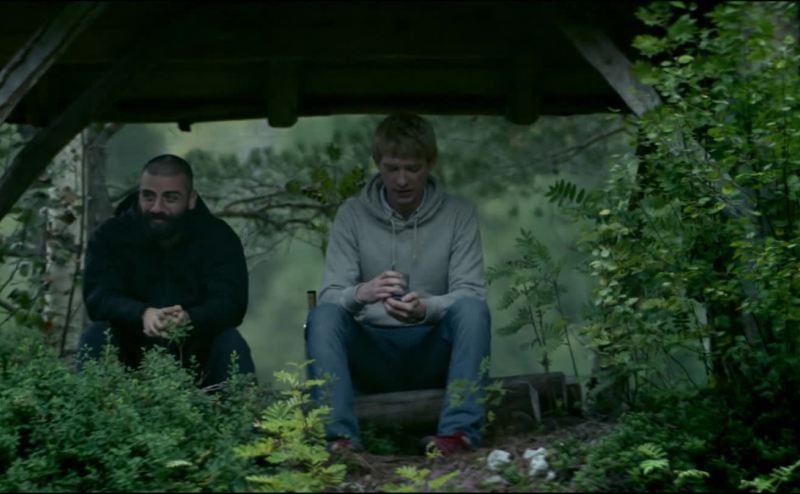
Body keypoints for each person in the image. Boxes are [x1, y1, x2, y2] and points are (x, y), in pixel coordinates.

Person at [305, 113, 491, 455]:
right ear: (378, 163)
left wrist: (426, 308)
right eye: (392, 168)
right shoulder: (352, 214)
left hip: (432, 349)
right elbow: (331, 295)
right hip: (372, 351)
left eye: (412, 168)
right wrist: (362, 293)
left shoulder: (458, 213)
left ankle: (458, 433)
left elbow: (471, 292)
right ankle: (338, 440)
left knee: (472, 311)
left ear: (430, 164)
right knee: (322, 316)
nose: (402, 180)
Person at [78, 154, 255, 387]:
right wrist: (142, 314)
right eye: (148, 196)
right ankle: (92, 407)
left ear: (191, 199)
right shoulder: (111, 235)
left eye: (170, 198)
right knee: (96, 336)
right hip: (130, 350)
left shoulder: (218, 238)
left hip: (198, 352)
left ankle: (241, 410)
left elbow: (231, 304)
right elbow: (98, 298)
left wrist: (189, 319)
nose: (157, 208)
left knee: (231, 342)